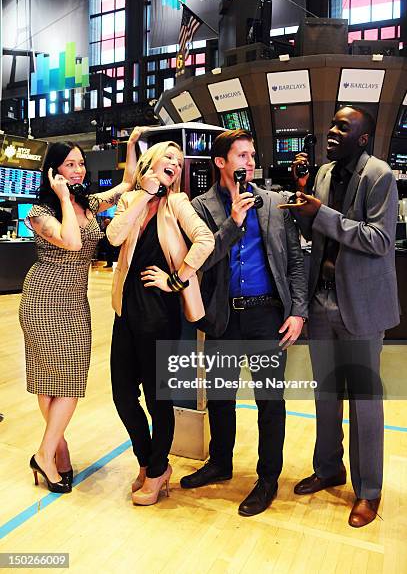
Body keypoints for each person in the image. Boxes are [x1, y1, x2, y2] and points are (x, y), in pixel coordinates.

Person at [180, 129, 308, 516]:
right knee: (220, 396)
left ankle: (268, 478)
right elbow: (202, 259)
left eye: (252, 155)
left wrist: (298, 310)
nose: (249, 162)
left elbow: (296, 260)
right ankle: (220, 462)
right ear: (221, 162)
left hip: (267, 315)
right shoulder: (201, 208)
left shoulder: (274, 203)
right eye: (241, 155)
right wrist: (233, 221)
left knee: (270, 401)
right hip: (223, 316)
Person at [289, 106, 399, 527]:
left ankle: (369, 490)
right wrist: (304, 213)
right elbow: (316, 234)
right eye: (332, 124)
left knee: (365, 402)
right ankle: (329, 467)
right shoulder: (322, 174)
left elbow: (379, 239)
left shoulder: (380, 176)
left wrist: (322, 214)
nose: (331, 131)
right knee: (326, 394)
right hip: (321, 302)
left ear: (364, 138)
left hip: (362, 306)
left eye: (342, 127)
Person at [19, 129, 143, 493]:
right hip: (43, 300)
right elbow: (72, 242)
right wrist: (61, 197)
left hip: (75, 302)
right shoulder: (38, 212)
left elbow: (126, 184)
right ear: (54, 171)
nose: (78, 170)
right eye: (69, 164)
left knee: (68, 379)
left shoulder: (88, 203)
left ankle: (51, 449)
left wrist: (131, 146)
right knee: (54, 381)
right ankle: (52, 451)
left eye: (81, 164)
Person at [107, 139, 214, 507]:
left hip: (160, 314)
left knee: (158, 399)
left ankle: (155, 471)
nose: (176, 164)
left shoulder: (178, 203)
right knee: (123, 395)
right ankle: (148, 460)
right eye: (169, 157)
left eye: (179, 162)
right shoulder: (130, 200)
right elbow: (114, 236)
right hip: (125, 312)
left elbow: (205, 240)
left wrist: (177, 279)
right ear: (151, 163)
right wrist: (143, 195)